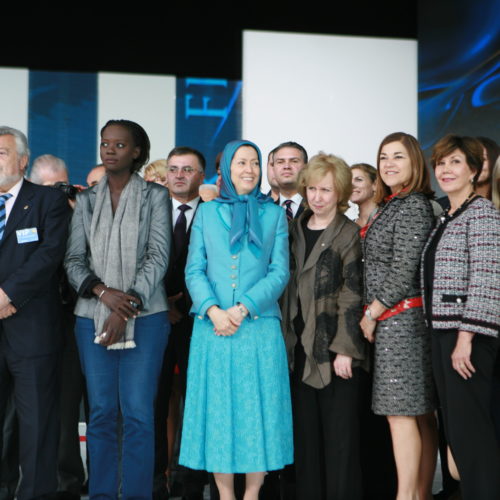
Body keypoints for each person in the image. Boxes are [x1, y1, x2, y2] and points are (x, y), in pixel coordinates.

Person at [179, 139, 293, 500]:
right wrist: (213, 309)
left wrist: (242, 308)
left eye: (255, 163)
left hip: (257, 327)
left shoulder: (274, 214)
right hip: (212, 328)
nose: (249, 170)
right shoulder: (208, 213)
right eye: (241, 163)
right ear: (226, 169)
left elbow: (279, 273)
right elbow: (193, 268)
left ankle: (253, 494)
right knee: (218, 413)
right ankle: (225, 495)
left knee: (258, 410)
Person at [64, 119, 172, 499]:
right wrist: (102, 292)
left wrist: (123, 306)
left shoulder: (155, 197)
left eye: (119, 145)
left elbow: (158, 258)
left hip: (147, 319)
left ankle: (138, 494)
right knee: (102, 414)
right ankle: (103, 494)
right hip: (90, 315)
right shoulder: (88, 199)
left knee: (140, 415)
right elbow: (74, 260)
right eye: (105, 143)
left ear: (137, 151)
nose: (109, 150)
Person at [281, 153, 367, 499]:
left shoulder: (348, 234)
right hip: (296, 346)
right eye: (313, 188)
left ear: (340, 193)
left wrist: (345, 350)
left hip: (333, 350)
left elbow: (352, 294)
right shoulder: (294, 229)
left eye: (326, 190)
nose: (317, 197)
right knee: (305, 440)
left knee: (340, 442)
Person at [360, 132, 438, 500]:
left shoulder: (412, 206)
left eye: (398, 157)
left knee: (401, 414)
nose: (388, 164)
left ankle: (406, 495)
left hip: (401, 322)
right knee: (416, 414)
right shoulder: (394, 203)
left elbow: (404, 267)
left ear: (415, 164)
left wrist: (373, 311)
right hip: (397, 320)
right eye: (383, 157)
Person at [422, 134, 500, 499]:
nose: (446, 170)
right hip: (443, 334)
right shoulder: (448, 215)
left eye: (456, 162)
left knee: (472, 436)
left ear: (474, 170)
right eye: (441, 162)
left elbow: (487, 279)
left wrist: (466, 338)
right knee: (456, 434)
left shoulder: (482, 212)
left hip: (467, 338)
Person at [0, 126, 70, 500]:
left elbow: (49, 255)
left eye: (1, 153)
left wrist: (7, 294)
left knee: (38, 422)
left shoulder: (47, 201)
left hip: (32, 328)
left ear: (23, 160)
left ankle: (37, 494)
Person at [29, 155, 86, 500]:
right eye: (48, 188)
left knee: (68, 407)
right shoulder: (22, 213)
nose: (56, 194)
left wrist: (78, 211)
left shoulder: (79, 212)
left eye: (61, 186)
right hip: (30, 321)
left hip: (71, 320)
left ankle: (68, 484)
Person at [154, 146, 206, 500]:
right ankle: (157, 481)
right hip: (154, 320)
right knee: (154, 404)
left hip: (201, 322)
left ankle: (191, 483)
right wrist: (162, 304)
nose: (179, 175)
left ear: (201, 176)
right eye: (174, 169)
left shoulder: (215, 214)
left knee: (197, 404)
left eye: (188, 169)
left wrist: (186, 305)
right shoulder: (149, 211)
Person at [272, 141, 308, 220]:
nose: (287, 166)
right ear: (273, 169)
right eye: (280, 162)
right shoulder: (265, 210)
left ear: (306, 168)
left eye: (294, 161)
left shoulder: (317, 206)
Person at [349, 162, 378, 228]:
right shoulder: (349, 226)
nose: (351, 185)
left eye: (359, 180)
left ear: (375, 185)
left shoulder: (389, 218)